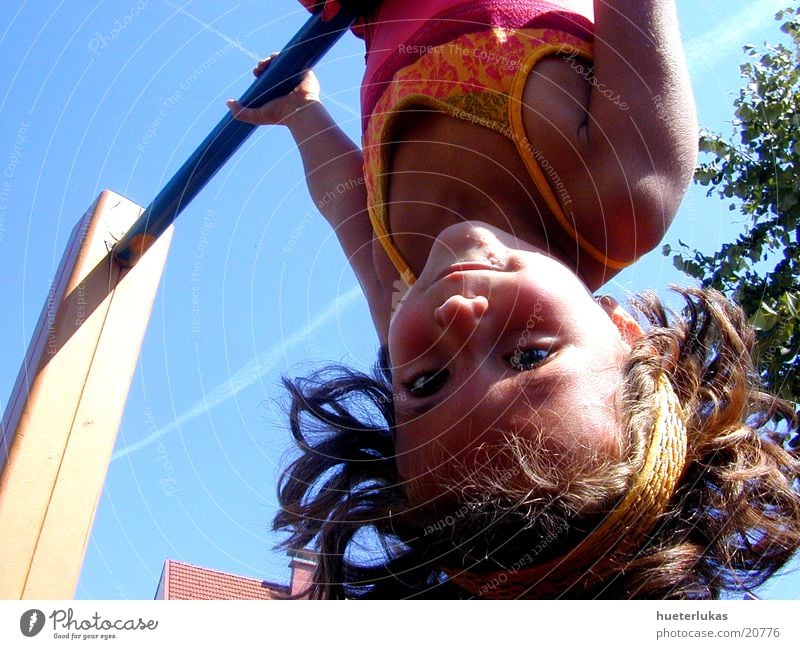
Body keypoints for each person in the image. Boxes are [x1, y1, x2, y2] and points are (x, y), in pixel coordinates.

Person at [224, 2, 798, 597]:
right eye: (529, 357)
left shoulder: (400, 296)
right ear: (624, 332)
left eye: (427, 384)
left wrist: (301, 112)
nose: (459, 317)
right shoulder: (624, 193)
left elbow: (344, 203)